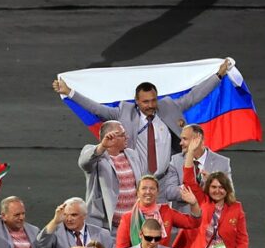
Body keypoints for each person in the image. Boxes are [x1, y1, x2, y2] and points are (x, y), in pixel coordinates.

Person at [53, 60, 232, 175]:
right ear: (137, 101)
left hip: (166, 178)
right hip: (135, 181)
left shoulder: (169, 106)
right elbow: (97, 109)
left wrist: (219, 75)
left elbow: (195, 96)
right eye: (145, 102)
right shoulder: (123, 112)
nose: (151, 105)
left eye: (153, 100)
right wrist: (70, 92)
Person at [174, 133, 249, 248]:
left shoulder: (236, 208)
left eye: (221, 187)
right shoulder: (203, 200)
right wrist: (190, 152)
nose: (217, 191)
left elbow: (242, 239)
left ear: (227, 189)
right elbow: (188, 178)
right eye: (213, 187)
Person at [77, 120, 147, 232]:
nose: (127, 137)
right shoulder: (96, 156)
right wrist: (102, 146)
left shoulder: (132, 154)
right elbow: (84, 162)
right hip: (105, 227)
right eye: (122, 134)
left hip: (133, 226)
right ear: (109, 137)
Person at [115, 174, 202, 248]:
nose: (148, 191)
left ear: (157, 192)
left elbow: (193, 223)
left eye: (152, 188)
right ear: (137, 192)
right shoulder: (128, 218)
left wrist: (194, 204)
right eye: (144, 188)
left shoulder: (166, 211)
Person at [163, 124, 233, 208]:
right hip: (184, 217)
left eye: (184, 139)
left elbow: (229, 192)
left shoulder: (222, 162)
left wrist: (211, 183)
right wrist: (195, 189)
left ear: (199, 140)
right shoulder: (175, 160)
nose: (180, 143)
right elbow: (169, 192)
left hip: (212, 217)